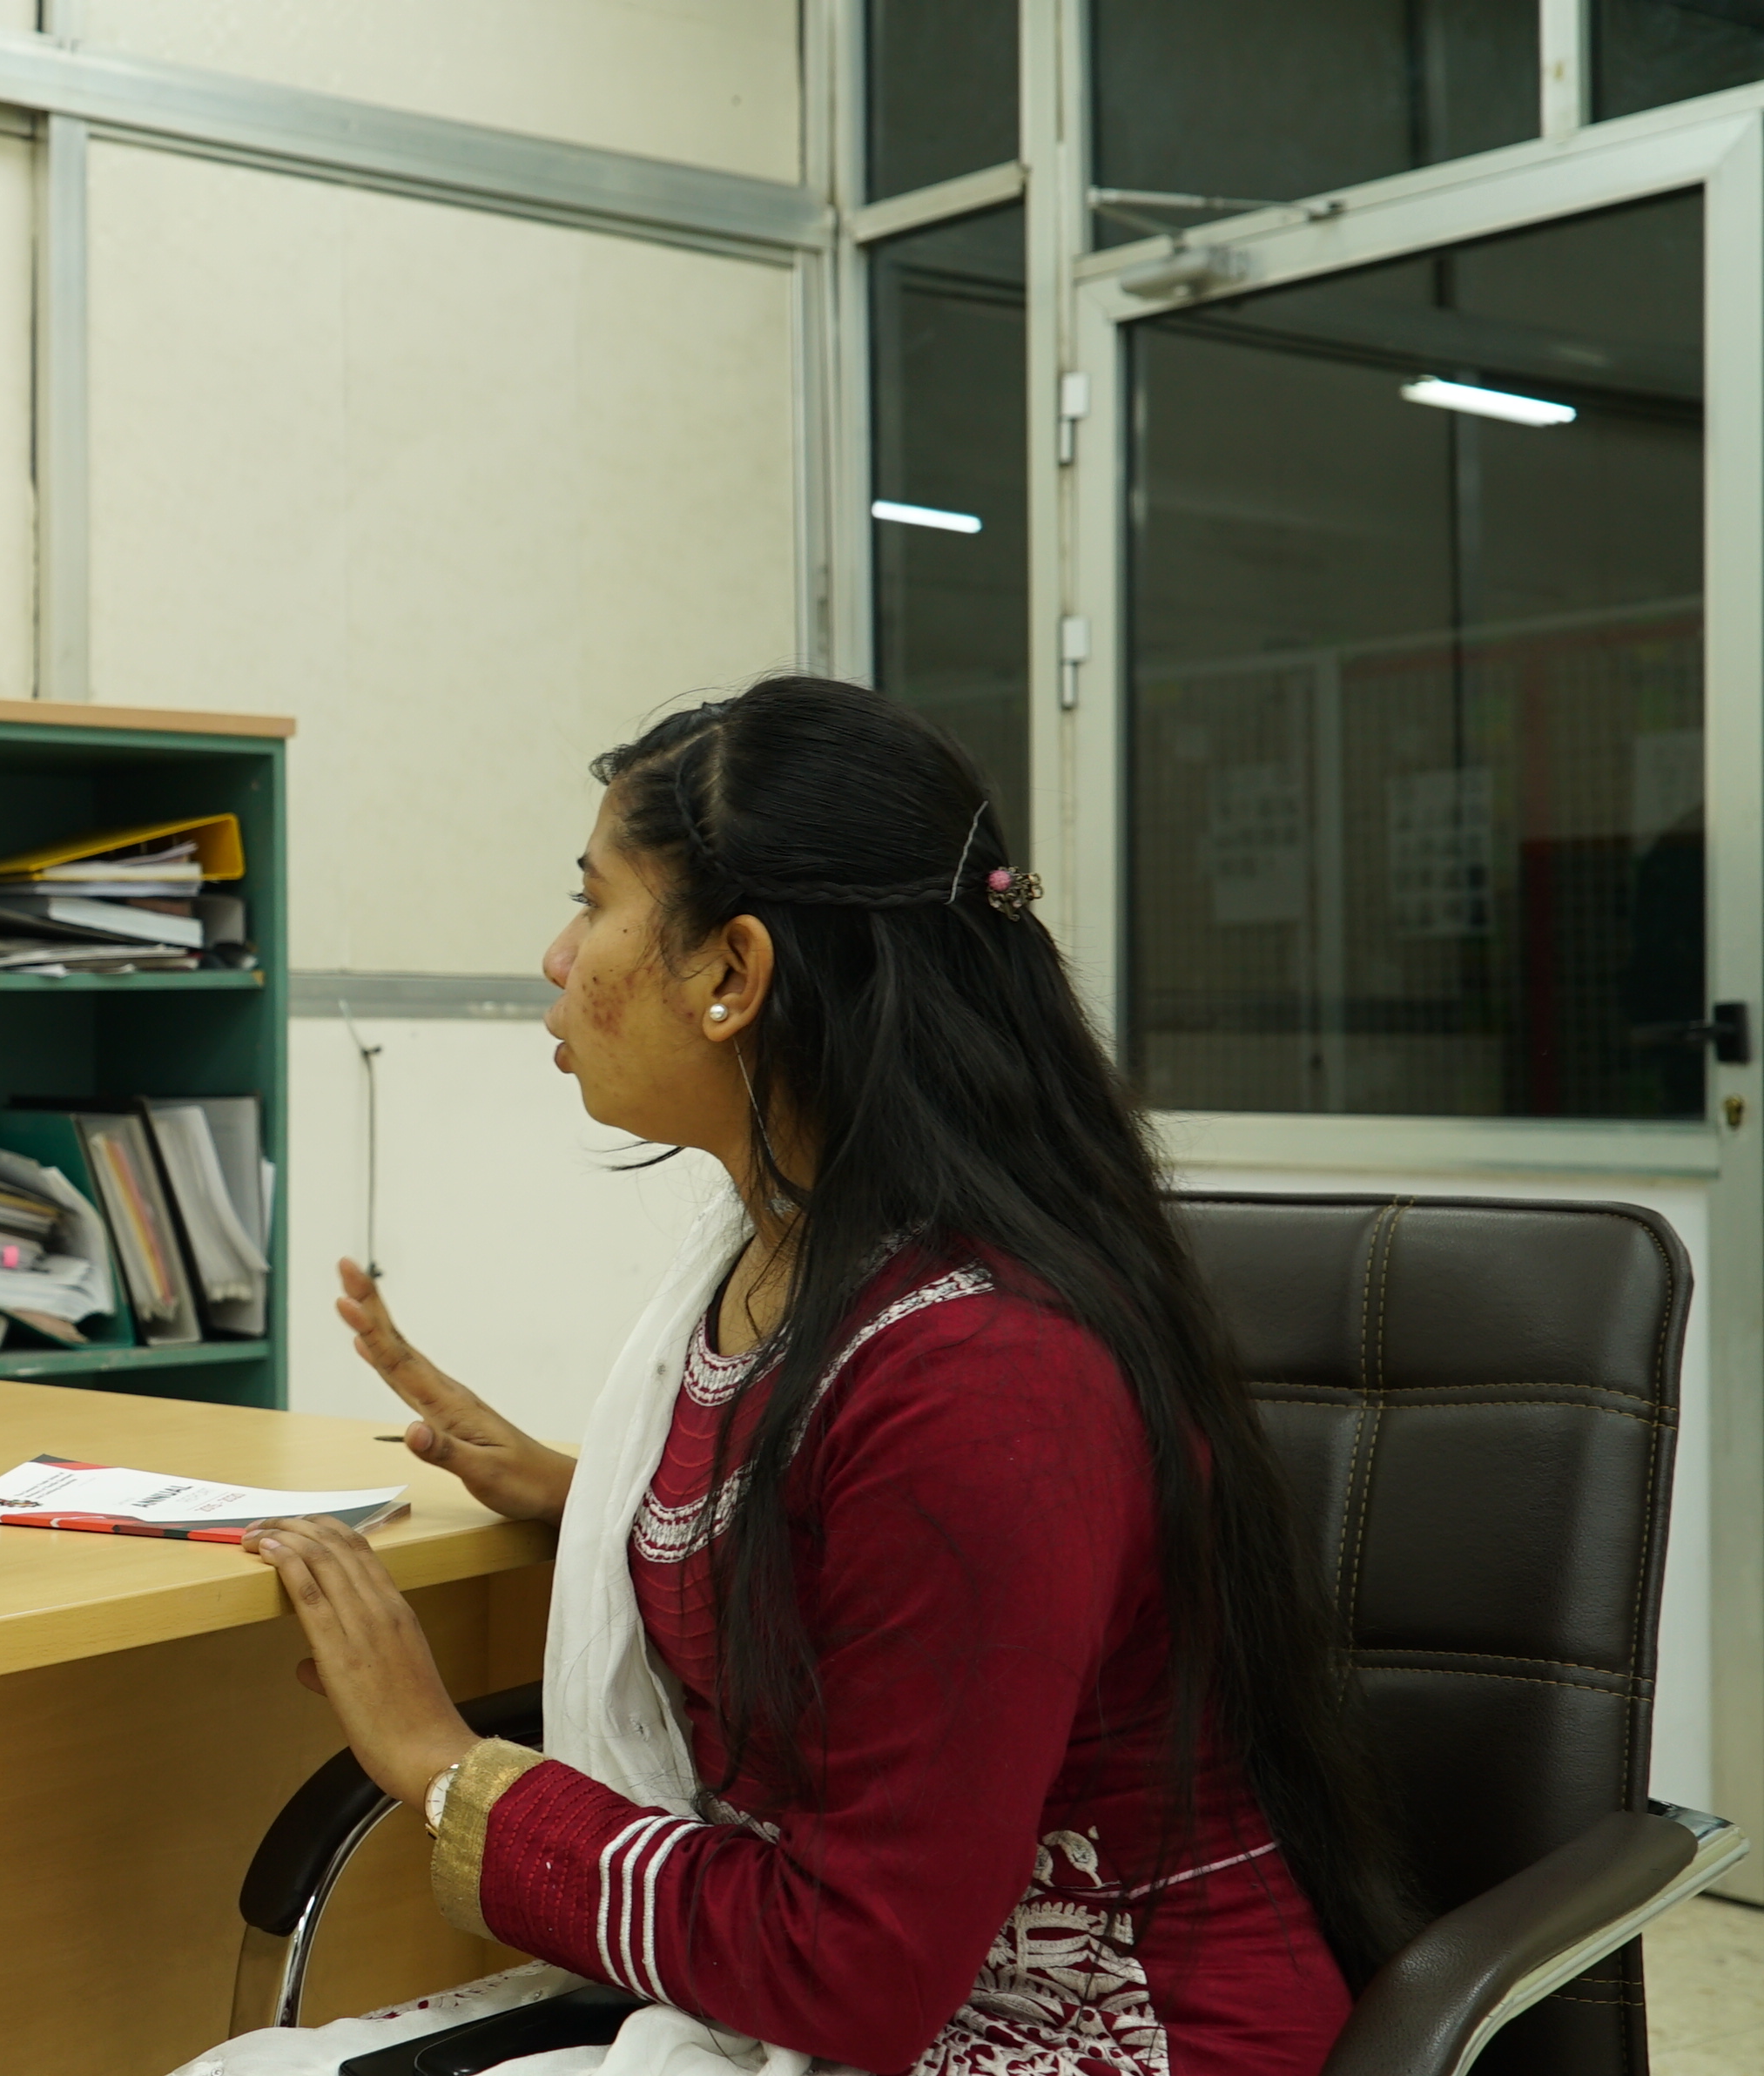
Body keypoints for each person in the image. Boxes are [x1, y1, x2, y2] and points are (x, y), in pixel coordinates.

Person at [191, 678, 1411, 2076]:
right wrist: (584, 1497)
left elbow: (859, 1967)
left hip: (1087, 2041)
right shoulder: (797, 1259)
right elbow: (860, 1566)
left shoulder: (979, 1372)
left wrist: (444, 1765)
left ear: (733, 975)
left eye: (593, 903)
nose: (554, 955)